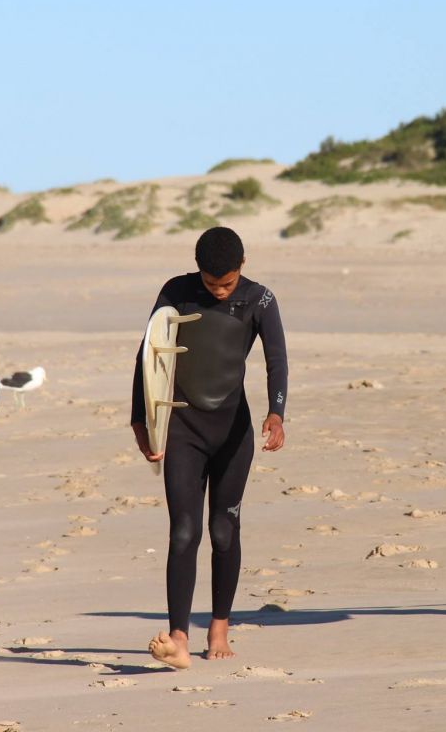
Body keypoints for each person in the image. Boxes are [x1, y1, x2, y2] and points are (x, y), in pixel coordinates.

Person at [131, 227, 288, 669]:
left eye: (228, 283)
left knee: (223, 530)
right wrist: (140, 418)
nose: (219, 291)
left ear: (243, 267)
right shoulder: (176, 291)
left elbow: (276, 358)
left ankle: (219, 624)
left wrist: (277, 413)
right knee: (183, 532)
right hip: (183, 426)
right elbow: (148, 355)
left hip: (232, 431)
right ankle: (178, 636)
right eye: (211, 283)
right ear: (197, 270)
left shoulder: (260, 300)